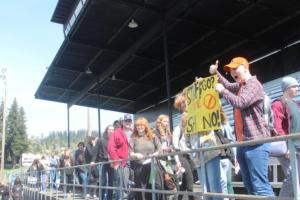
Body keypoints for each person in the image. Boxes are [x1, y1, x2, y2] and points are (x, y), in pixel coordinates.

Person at [209, 57, 274, 196]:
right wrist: (216, 73)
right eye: (230, 70)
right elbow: (227, 85)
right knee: (250, 186)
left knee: (260, 187)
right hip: (243, 143)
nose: (232, 72)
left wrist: (222, 92)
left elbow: (241, 102)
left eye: (235, 68)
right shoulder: (241, 85)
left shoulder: (253, 84)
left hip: (256, 142)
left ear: (245, 67)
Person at [272, 76, 300, 198]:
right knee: (293, 176)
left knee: (297, 178)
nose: (297, 89)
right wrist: (286, 146)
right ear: (287, 88)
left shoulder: (296, 105)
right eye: (294, 86)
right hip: (288, 148)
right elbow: (277, 128)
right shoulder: (278, 104)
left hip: (298, 146)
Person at [129, 117, 162, 200]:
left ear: (145, 126)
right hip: (139, 167)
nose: (140, 127)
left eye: (142, 125)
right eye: (138, 125)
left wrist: (154, 154)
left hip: (153, 166)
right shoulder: (133, 138)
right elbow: (130, 152)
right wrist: (135, 155)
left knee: (154, 185)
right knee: (141, 188)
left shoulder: (153, 136)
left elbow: (160, 149)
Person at [108, 114, 133, 200]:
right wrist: (116, 162)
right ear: (122, 122)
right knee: (123, 184)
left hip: (134, 161)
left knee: (136, 183)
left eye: (129, 121)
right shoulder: (117, 132)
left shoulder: (134, 132)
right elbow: (111, 147)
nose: (128, 123)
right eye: (126, 121)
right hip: (123, 162)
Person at [172, 112, 195, 200]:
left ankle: (179, 198)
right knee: (189, 178)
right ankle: (191, 198)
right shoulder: (178, 129)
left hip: (189, 156)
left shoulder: (190, 128)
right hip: (181, 155)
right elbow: (175, 146)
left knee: (186, 181)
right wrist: (177, 161)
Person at [93, 125, 115, 200]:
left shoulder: (115, 140)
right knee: (103, 181)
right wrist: (93, 161)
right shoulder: (101, 140)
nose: (111, 131)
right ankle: (102, 198)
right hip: (102, 162)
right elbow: (95, 151)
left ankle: (110, 198)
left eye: (112, 129)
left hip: (112, 162)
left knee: (111, 181)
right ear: (106, 130)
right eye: (110, 129)